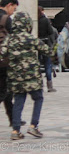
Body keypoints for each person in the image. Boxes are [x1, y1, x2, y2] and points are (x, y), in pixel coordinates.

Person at [0, 12, 53, 140]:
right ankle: (33, 126)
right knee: (38, 98)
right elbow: (48, 51)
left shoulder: (9, 39)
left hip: (15, 78)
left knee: (18, 101)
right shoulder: (32, 38)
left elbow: (1, 54)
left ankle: (15, 130)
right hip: (32, 78)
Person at [0, 0, 17, 126]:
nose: (13, 11)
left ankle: (13, 118)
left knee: (6, 91)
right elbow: (13, 39)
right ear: (9, 5)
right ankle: (13, 119)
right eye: (14, 8)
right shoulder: (6, 19)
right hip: (4, 60)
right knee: (4, 91)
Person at [37, 6, 57, 93]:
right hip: (45, 43)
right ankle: (50, 86)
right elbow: (50, 31)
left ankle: (38, 85)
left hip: (36, 43)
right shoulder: (45, 20)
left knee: (36, 65)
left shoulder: (34, 20)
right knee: (47, 65)